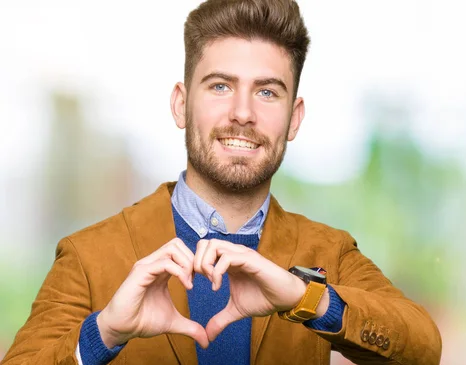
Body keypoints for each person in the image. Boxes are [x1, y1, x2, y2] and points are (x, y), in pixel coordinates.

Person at [1, 0, 442, 364]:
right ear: (180, 105)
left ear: (295, 118)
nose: (243, 113)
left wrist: (305, 298)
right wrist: (103, 332)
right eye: (220, 87)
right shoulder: (88, 255)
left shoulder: (328, 253)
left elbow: (423, 347)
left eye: (268, 91)